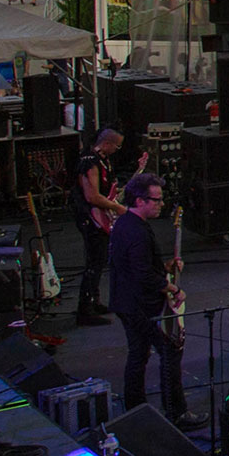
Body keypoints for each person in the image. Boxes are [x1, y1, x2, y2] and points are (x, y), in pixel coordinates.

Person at [108, 173, 194, 427]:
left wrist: (165, 266)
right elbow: (142, 273)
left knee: (138, 354)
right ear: (139, 200)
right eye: (155, 200)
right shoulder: (137, 231)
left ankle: (135, 410)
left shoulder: (126, 224)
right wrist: (172, 287)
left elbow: (139, 265)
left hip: (125, 302)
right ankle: (176, 412)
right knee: (170, 350)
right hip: (141, 305)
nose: (161, 204)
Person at [71, 128, 132, 326]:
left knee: (99, 259)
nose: (118, 149)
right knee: (94, 261)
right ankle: (85, 309)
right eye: (117, 145)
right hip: (90, 217)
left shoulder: (102, 159)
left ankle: (93, 301)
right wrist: (117, 207)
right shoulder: (90, 162)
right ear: (107, 143)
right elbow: (92, 196)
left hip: (97, 216)